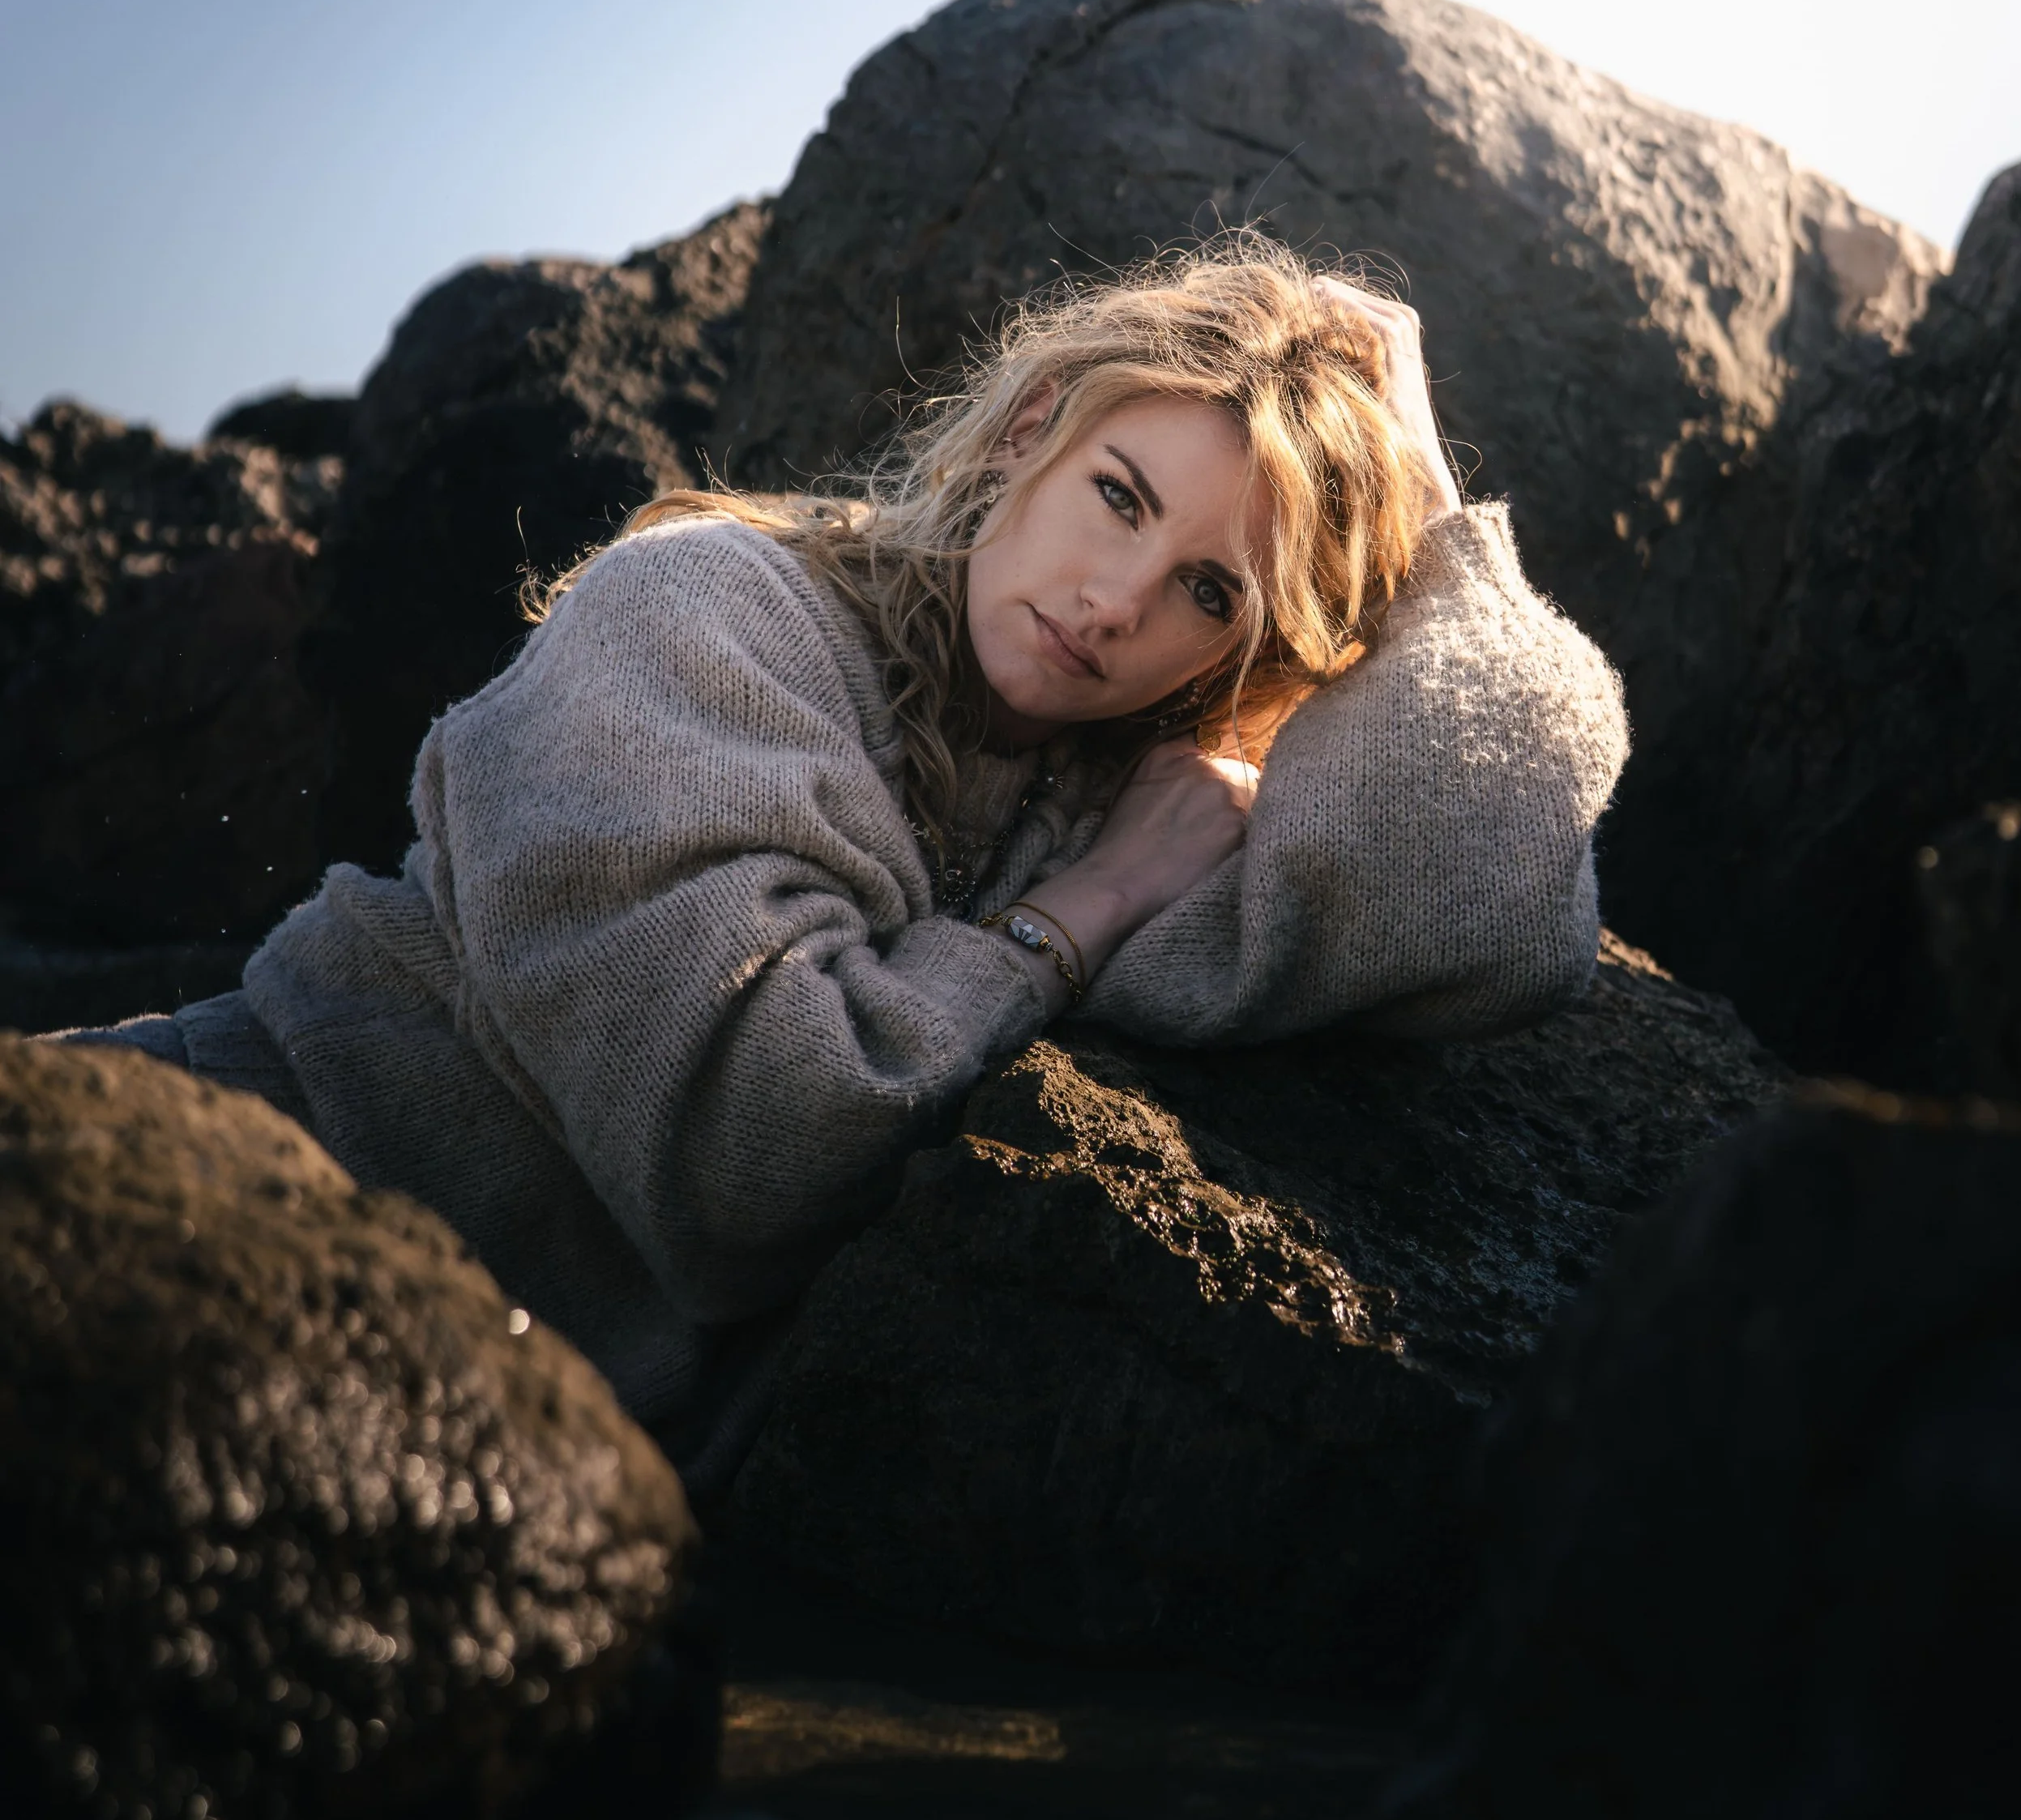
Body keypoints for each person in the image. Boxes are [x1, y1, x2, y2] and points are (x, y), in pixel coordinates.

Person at [59, 241, 1628, 1477]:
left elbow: (1492, 902)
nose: (1113, 601)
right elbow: (753, 1144)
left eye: (1208, 590)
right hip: (190, 1170)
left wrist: (1426, 522)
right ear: (1028, 434)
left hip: (484, 1428)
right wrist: (1070, 923)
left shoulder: (1113, 793)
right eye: (1115, 497)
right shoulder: (705, 609)